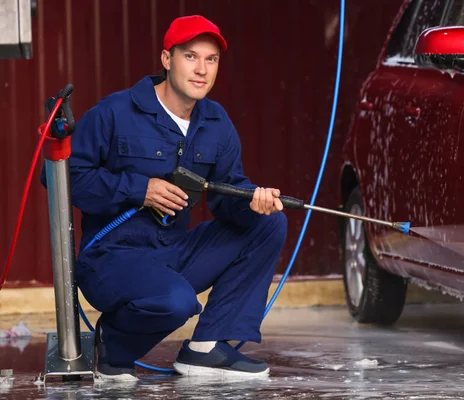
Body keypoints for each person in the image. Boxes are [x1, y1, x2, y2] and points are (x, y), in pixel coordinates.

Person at [51, 15, 287, 380]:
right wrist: (138, 189)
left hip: (173, 253)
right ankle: (113, 347)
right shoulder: (115, 112)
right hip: (112, 258)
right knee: (176, 302)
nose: (202, 70)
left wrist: (252, 201)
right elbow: (60, 180)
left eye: (211, 60)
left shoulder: (216, 121)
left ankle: (206, 347)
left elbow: (227, 198)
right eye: (191, 56)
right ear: (166, 59)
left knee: (269, 223)